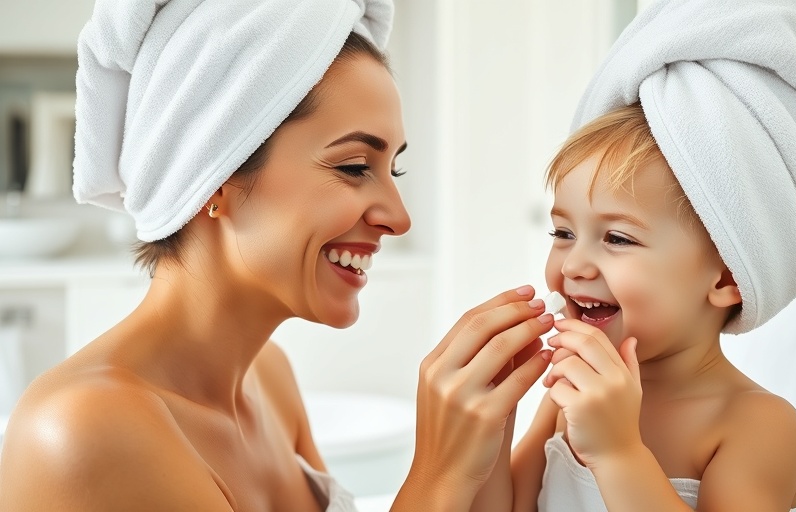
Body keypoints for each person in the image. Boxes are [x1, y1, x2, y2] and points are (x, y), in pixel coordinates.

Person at [0, 1, 556, 510]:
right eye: (354, 167)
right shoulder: (81, 432)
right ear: (213, 178)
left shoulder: (269, 379)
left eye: (395, 170)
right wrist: (439, 473)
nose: (399, 216)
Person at [472, 0, 796, 511]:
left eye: (618, 239)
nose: (573, 265)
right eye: (563, 231)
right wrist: (493, 424)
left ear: (727, 276)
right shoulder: (570, 391)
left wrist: (618, 452)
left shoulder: (756, 423)